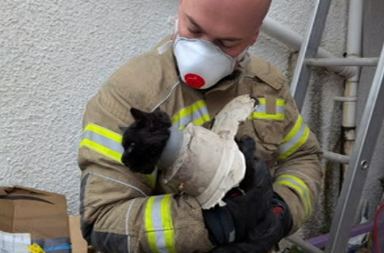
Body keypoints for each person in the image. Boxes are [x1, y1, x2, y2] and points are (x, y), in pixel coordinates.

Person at [78, 0, 323, 252]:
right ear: (180, 9)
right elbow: (103, 221)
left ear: (254, 36)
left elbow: (304, 157)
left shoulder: (267, 86)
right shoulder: (132, 95)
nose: (202, 51)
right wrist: (212, 223)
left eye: (226, 43)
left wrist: (280, 212)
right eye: (193, 30)